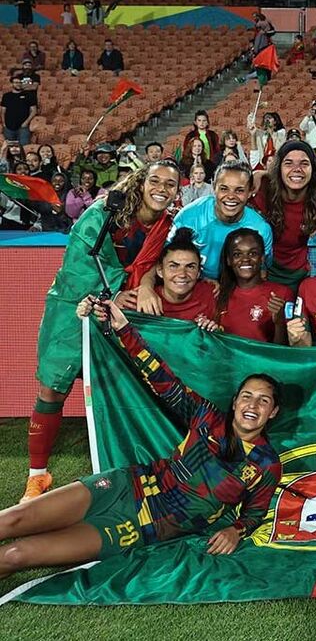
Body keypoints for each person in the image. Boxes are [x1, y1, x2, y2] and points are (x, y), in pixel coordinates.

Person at [0, 296, 281, 576]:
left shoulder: (266, 464)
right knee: (12, 520)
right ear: (235, 401)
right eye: (247, 396)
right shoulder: (207, 417)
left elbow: (254, 514)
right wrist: (124, 328)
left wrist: (235, 530)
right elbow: (162, 378)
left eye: (263, 401)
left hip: (141, 527)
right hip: (123, 486)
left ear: (273, 412)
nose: (252, 405)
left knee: (16, 554)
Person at [22, 160, 182, 501]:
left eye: (170, 184)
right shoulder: (107, 210)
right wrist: (113, 292)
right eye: (156, 181)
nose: (162, 189)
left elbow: (150, 264)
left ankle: (130, 471)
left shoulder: (165, 224)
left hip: (119, 309)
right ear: (142, 181)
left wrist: (145, 286)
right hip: (72, 304)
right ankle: (37, 476)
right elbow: (78, 260)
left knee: (122, 389)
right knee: (53, 389)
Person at [170, 161, 272, 280]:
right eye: (224, 189)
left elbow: (262, 272)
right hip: (193, 282)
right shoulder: (189, 217)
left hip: (239, 284)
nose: (231, 196)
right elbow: (169, 260)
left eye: (239, 190)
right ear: (214, 187)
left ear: (250, 192)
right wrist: (202, 282)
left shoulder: (261, 229)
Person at [250, 140, 316, 288]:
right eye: (288, 163)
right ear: (279, 168)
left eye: (304, 164)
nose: (297, 169)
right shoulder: (261, 190)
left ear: (313, 169)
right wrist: (260, 173)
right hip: (262, 272)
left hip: (302, 274)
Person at [214, 228, 290, 343]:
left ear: (262, 258)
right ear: (229, 260)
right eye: (237, 254)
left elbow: (284, 350)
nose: (245, 259)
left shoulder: (282, 293)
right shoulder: (218, 294)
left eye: (252, 253)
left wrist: (279, 323)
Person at [151, 229, 219, 323]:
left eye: (190, 267)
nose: (182, 274)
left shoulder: (213, 294)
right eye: (173, 266)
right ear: (160, 270)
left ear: (198, 272)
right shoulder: (145, 299)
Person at [1, 73, 37, 145]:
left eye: (20, 82)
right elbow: (2, 111)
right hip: (8, 127)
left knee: (24, 148)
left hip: (23, 127)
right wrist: (4, 124)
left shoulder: (29, 95)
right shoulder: (6, 96)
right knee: (9, 148)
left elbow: (34, 111)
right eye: (16, 82)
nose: (18, 84)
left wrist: (26, 122)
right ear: (12, 84)